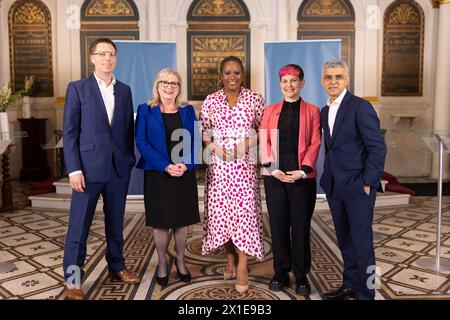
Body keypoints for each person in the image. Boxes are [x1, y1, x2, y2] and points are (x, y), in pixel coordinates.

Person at [63, 38, 139, 300]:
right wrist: (74, 169)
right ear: (92, 57)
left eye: (112, 54)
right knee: (79, 227)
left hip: (118, 169)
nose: (107, 58)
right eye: (102, 54)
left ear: (116, 58)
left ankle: (117, 266)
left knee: (116, 222)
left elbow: (127, 130)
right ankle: (73, 280)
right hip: (86, 170)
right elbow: (70, 133)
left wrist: (128, 159)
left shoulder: (126, 90)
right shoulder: (78, 88)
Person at [319, 60, 386, 300]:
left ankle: (368, 293)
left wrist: (368, 182)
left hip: (359, 188)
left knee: (363, 244)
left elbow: (378, 148)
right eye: (329, 77)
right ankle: (349, 285)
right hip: (335, 187)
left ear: (347, 80)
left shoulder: (360, 107)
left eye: (338, 76)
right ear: (322, 81)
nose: (333, 81)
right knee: (345, 241)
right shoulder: (324, 110)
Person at [200, 56, 266, 294]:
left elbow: (262, 128)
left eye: (236, 73)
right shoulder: (211, 100)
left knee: (244, 215)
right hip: (218, 166)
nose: (232, 77)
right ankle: (229, 259)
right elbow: (204, 132)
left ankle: (242, 267)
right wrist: (215, 148)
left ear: (242, 75)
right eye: (227, 73)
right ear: (221, 75)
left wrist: (244, 146)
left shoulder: (255, 98)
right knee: (223, 215)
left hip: (244, 166)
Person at [135, 68, 200, 286]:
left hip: (183, 173)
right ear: (157, 85)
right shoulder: (145, 109)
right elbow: (142, 142)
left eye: (174, 83)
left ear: (179, 88)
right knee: (161, 222)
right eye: (164, 82)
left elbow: (196, 141)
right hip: (157, 174)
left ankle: (180, 261)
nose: (169, 86)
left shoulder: (187, 110)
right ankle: (162, 262)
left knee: (182, 222)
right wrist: (165, 166)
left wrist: (186, 165)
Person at [260, 64, 321, 295]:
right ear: (280, 85)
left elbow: (315, 142)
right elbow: (264, 140)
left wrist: (303, 170)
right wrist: (273, 168)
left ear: (302, 83)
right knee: (278, 226)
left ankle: (301, 274)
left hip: (302, 178)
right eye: (285, 81)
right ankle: (281, 271)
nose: (289, 85)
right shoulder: (270, 110)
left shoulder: (312, 111)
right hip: (275, 177)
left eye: (294, 81)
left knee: (301, 226)